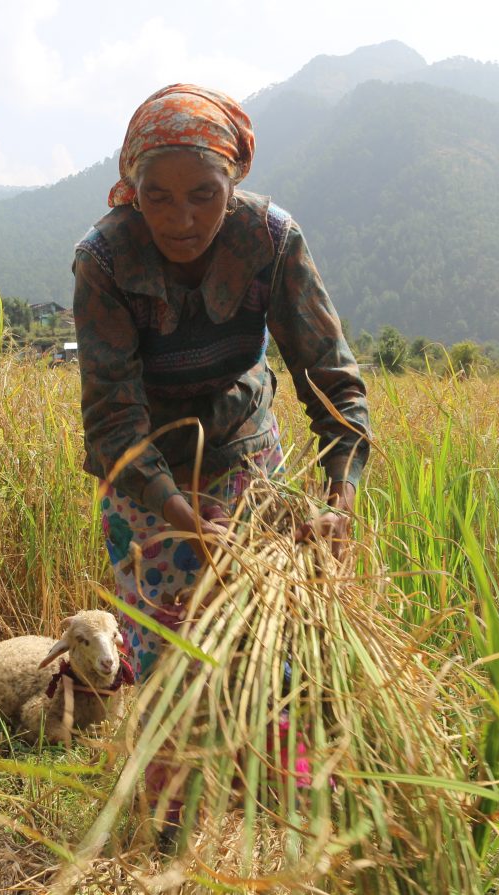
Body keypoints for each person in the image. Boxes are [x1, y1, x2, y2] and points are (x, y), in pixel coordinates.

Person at [72, 82, 371, 847]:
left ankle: (301, 819)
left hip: (244, 457)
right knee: (170, 654)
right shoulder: (105, 258)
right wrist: (181, 514)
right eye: (157, 196)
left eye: (204, 194)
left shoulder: (270, 240)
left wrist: (339, 498)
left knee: (264, 642)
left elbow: (333, 383)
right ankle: (168, 834)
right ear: (130, 185)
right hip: (148, 481)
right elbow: (112, 421)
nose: (182, 219)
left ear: (233, 180)